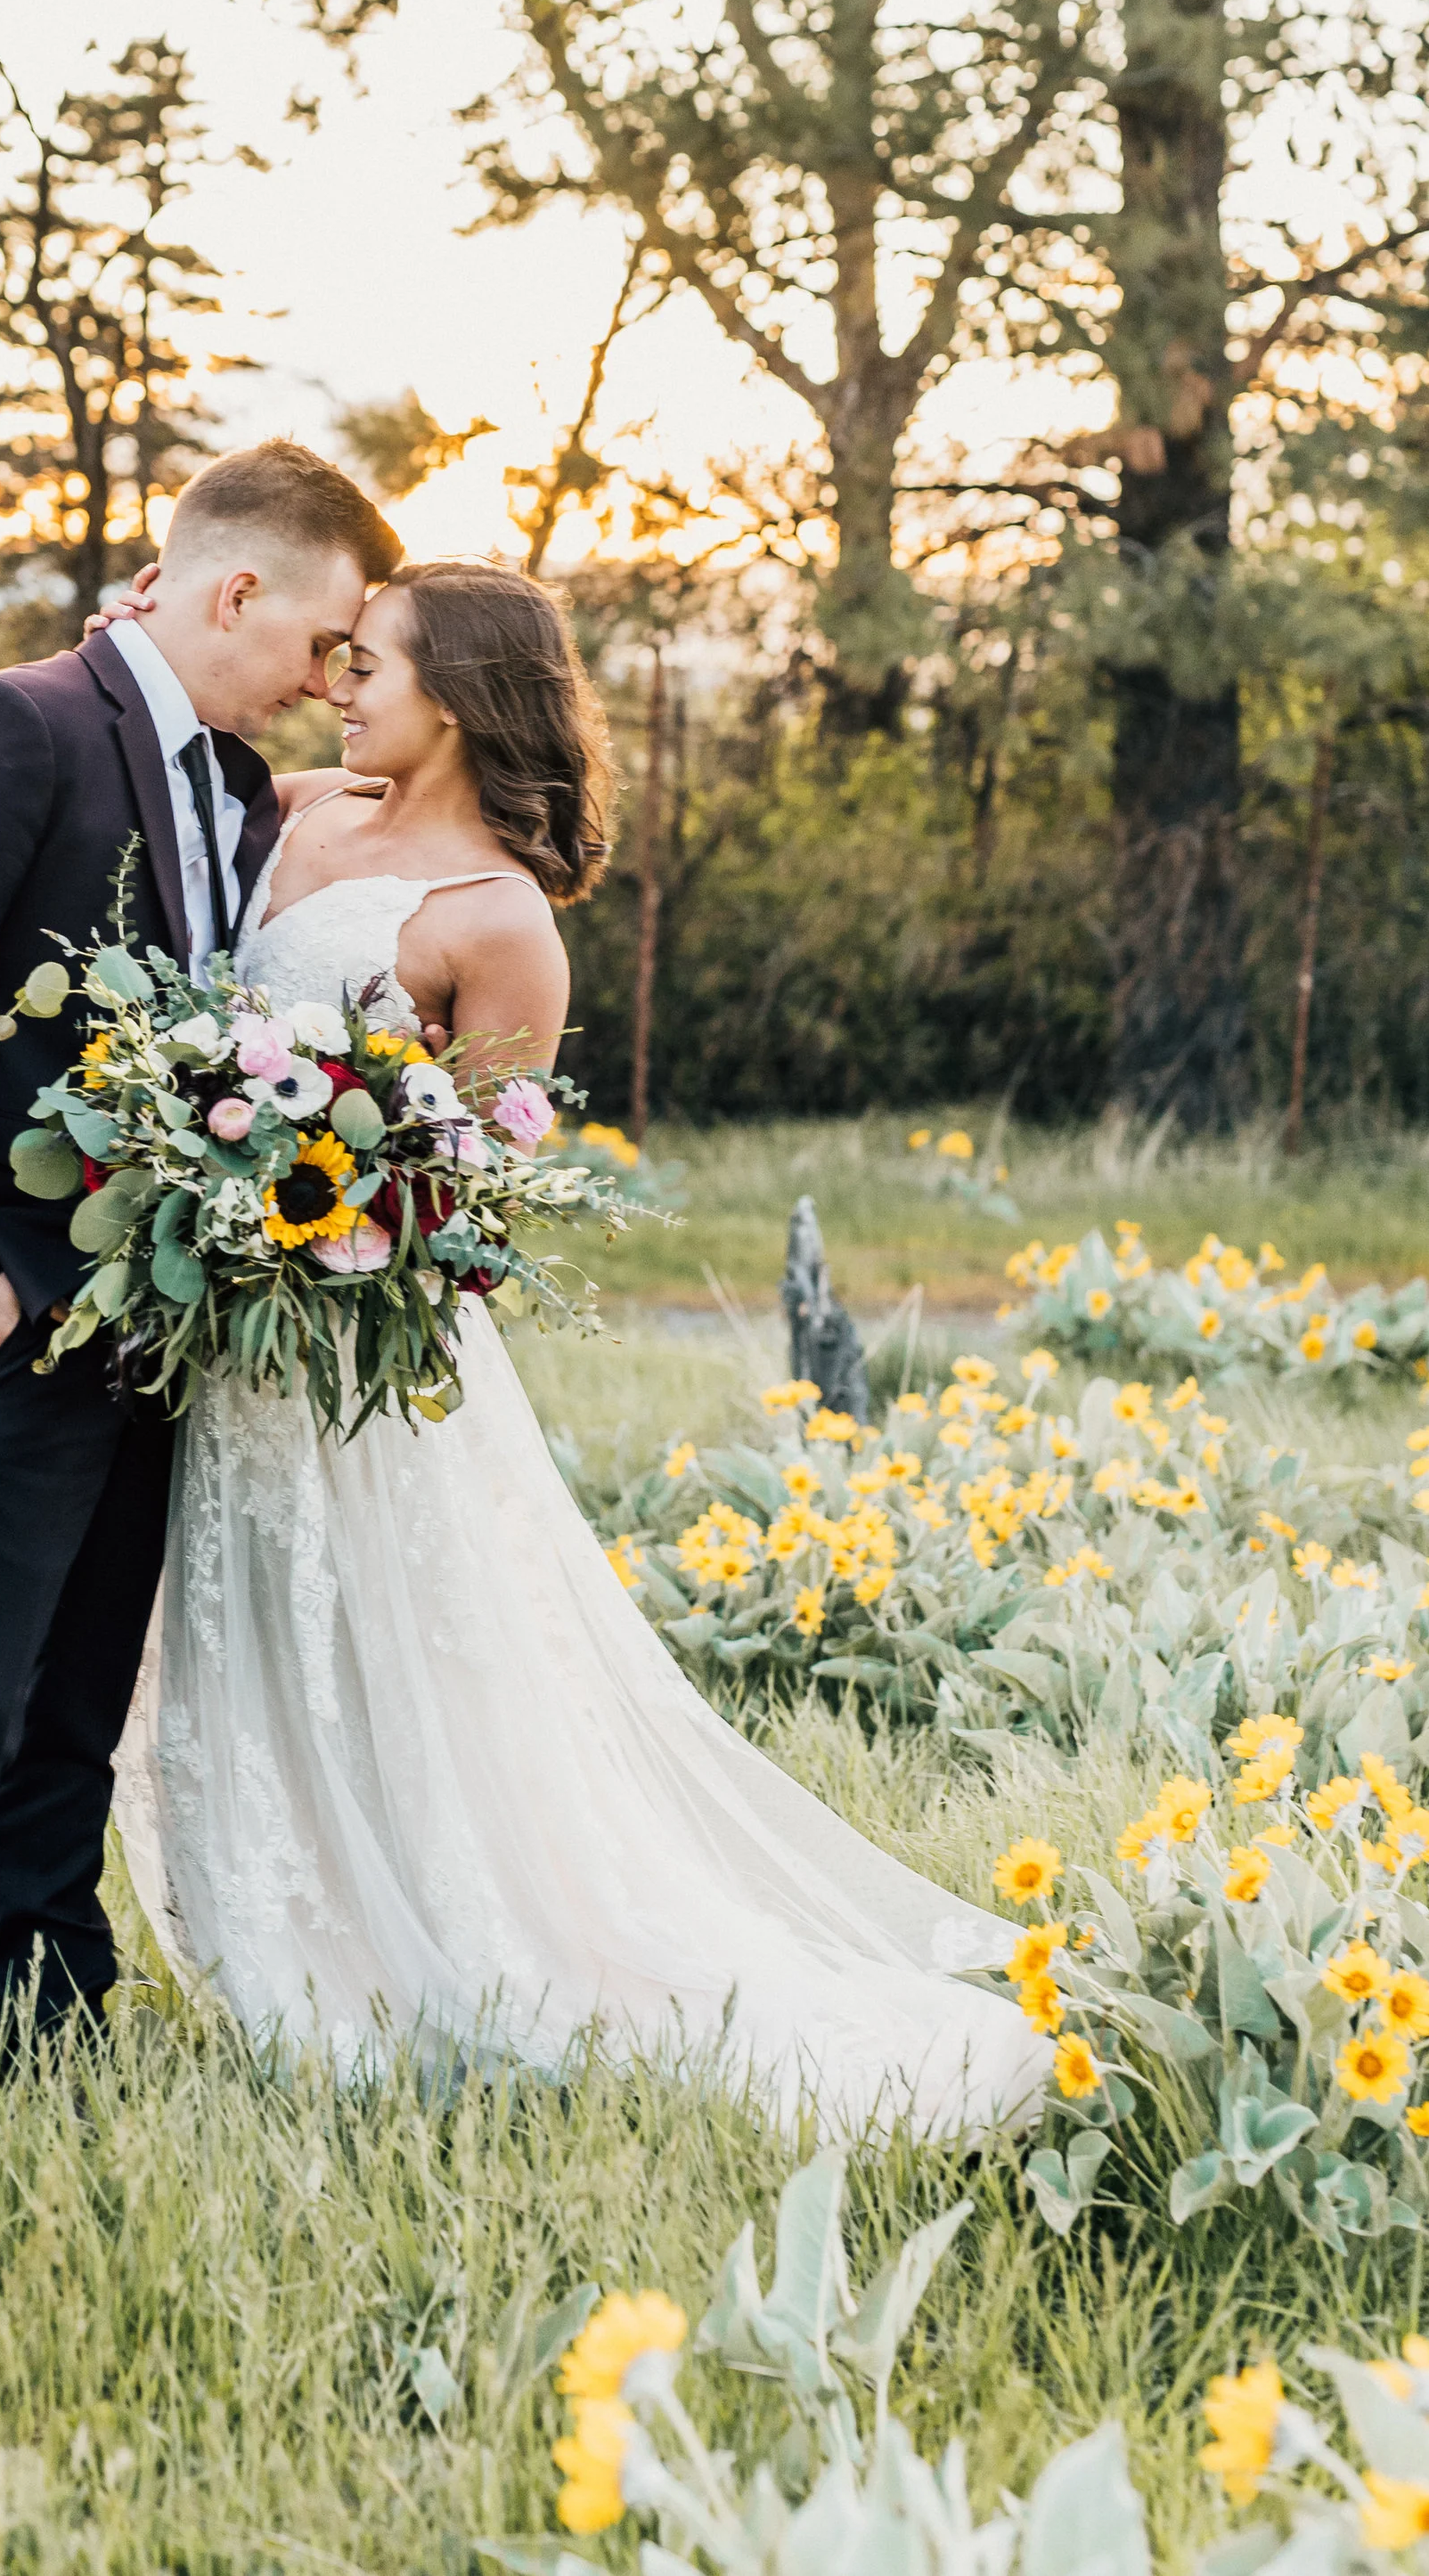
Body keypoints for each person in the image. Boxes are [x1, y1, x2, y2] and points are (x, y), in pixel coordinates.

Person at [110, 559, 1050, 2136]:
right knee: (249, 1640)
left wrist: (310, 1222)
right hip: (222, 1348)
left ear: (459, 696)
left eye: (372, 662)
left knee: (405, 1667)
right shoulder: (294, 811)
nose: (339, 684)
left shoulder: (502, 922)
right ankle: (291, 1934)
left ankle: (440, 1958)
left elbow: (469, 1208)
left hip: (357, 1365)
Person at [0, 439, 400, 2067]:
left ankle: (50, 2019)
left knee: (79, 1705)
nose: (326, 681)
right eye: (322, 641)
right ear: (235, 591)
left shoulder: (235, 780)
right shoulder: (18, 724)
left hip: (158, 1310)